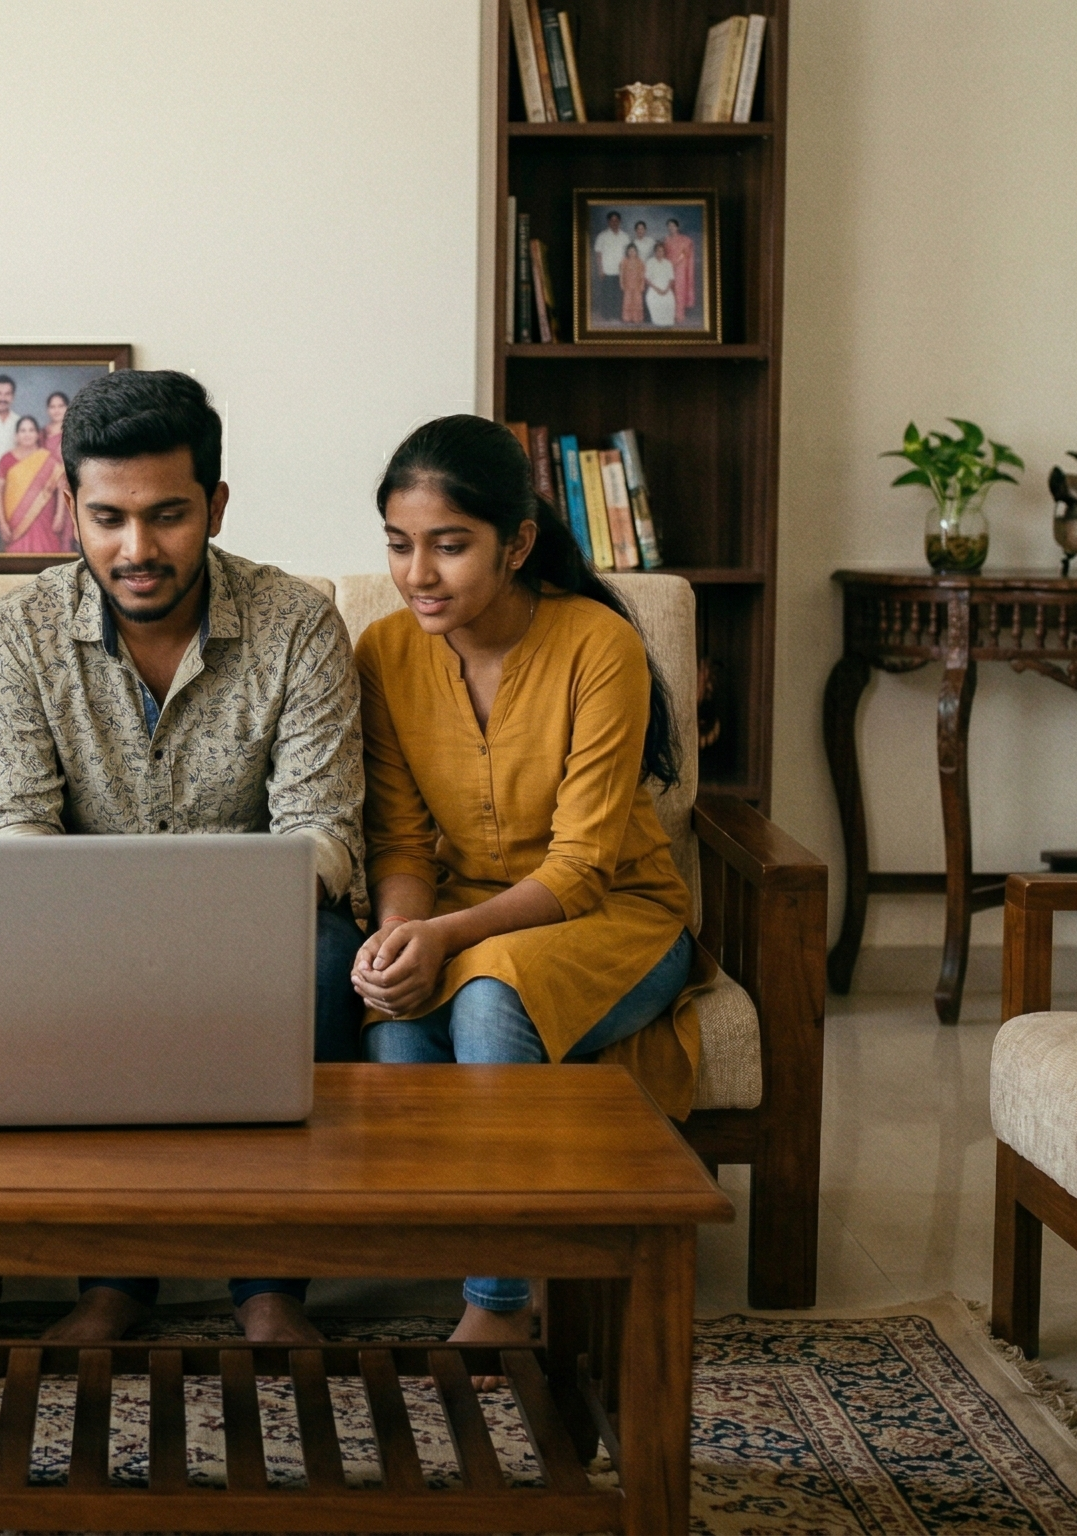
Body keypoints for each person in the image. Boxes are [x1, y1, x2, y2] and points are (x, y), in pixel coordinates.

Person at [0, 369, 365, 1347]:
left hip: (261, 926)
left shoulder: (296, 622)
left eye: (167, 516)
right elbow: (12, 827)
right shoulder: (16, 632)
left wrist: (205, 906)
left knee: (323, 957)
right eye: (107, 518)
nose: (135, 549)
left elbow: (324, 832)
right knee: (62, 965)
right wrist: (117, 914)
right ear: (70, 508)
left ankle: (269, 1287)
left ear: (215, 507)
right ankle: (113, 1282)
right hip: (73, 921)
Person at [350, 414, 703, 1350]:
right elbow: (399, 842)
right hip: (467, 916)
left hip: (619, 919)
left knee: (488, 1000)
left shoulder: (598, 644)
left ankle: (499, 1306)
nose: (418, 574)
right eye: (398, 544)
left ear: (516, 545)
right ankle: (495, 1246)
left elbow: (583, 871)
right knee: (395, 1026)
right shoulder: (383, 653)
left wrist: (444, 939)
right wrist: (399, 936)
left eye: (449, 545)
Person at [0, 415, 74, 554]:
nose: (27, 434)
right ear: (16, 436)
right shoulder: (6, 459)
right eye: (23, 430)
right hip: (15, 521)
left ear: (37, 434)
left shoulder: (48, 459)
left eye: (31, 430)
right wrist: (2, 522)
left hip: (45, 517)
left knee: (47, 556)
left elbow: (62, 487)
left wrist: (59, 515)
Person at [661, 218, 696, 319]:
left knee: (679, 290)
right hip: (668, 267)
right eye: (669, 226)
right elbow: (663, 254)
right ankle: (669, 314)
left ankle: (679, 315)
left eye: (673, 226)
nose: (671, 228)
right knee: (669, 290)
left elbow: (686, 253)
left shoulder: (685, 240)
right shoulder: (666, 240)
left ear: (677, 227)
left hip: (680, 268)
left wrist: (676, 262)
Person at [644, 239, 677, 327]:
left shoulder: (668, 263)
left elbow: (671, 279)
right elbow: (647, 279)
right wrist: (657, 289)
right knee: (653, 299)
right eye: (658, 251)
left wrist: (666, 290)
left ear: (664, 252)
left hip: (666, 287)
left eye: (662, 251)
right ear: (655, 252)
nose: (660, 253)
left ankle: (667, 322)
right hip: (654, 287)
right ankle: (657, 321)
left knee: (670, 300)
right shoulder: (650, 262)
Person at [592, 212, 628, 285]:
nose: (614, 223)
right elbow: (598, 254)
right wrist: (600, 270)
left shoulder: (625, 236)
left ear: (620, 221)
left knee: (620, 292)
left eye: (616, 220)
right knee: (608, 292)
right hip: (607, 272)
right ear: (608, 222)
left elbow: (628, 254)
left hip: (622, 272)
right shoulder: (602, 236)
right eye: (612, 220)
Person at [619, 239, 647, 325]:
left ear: (636, 252)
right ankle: (627, 318)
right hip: (627, 285)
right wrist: (621, 284)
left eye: (633, 251)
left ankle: (636, 318)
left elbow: (642, 274)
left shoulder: (640, 262)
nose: (632, 253)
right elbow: (621, 274)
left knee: (637, 302)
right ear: (627, 252)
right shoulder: (624, 261)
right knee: (627, 302)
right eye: (630, 251)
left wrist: (642, 285)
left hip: (637, 285)